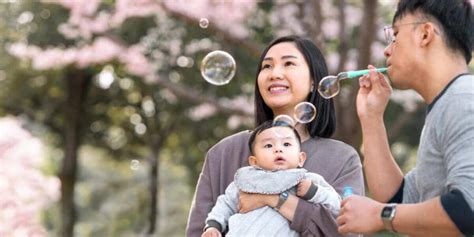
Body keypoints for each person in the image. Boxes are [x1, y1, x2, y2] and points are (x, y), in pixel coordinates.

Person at [186, 35, 364, 237]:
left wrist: (272, 199)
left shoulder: (342, 159)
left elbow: (347, 232)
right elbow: (198, 231)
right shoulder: (224, 153)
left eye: (288, 63)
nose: (274, 73)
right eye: (266, 66)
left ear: (315, 81)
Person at [337, 0, 474, 236]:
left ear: (424, 34)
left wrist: (379, 215)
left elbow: (468, 208)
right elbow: (399, 199)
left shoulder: (463, 99)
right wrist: (371, 118)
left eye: (395, 35)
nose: (387, 50)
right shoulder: (446, 104)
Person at [202, 121, 341, 237]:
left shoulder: (305, 180)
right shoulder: (247, 180)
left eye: (286, 144)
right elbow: (225, 204)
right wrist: (213, 226)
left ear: (301, 158)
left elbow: (336, 204)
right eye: (268, 145)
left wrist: (314, 192)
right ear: (254, 161)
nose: (278, 149)